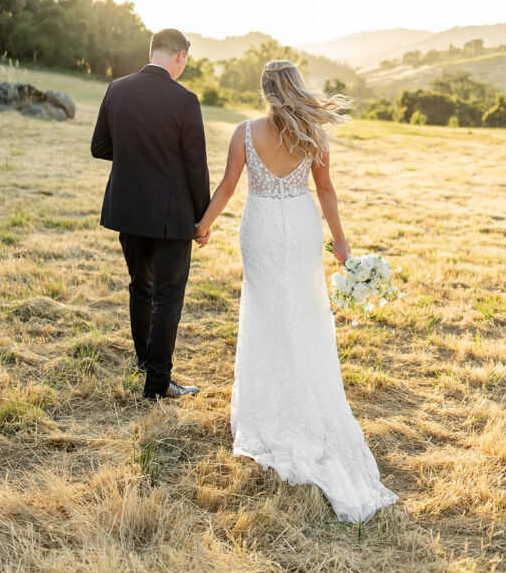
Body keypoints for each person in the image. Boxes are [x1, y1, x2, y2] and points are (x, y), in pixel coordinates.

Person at [195, 60, 399, 522]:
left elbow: (229, 185)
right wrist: (341, 245)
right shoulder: (314, 136)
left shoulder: (245, 131)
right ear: (298, 90)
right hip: (302, 227)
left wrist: (204, 225)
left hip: (262, 227)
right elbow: (325, 191)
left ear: (266, 92)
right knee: (305, 314)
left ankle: (272, 411)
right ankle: (306, 402)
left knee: (267, 314)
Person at [90, 28, 211, 400]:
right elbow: (195, 166)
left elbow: (100, 147)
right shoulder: (185, 100)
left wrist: (135, 159)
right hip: (171, 216)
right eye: (186, 60)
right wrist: (202, 220)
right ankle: (157, 386)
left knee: (140, 290)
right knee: (167, 299)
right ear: (179, 56)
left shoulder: (117, 88)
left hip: (128, 209)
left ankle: (145, 366)